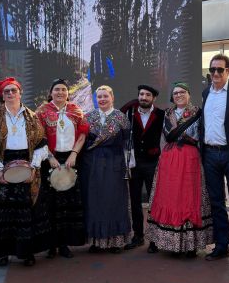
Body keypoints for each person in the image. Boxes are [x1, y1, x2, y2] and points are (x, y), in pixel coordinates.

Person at [0, 77, 50, 266]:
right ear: (2, 95)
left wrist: (33, 166)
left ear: (20, 93)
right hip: (2, 164)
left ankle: (27, 252)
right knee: (3, 213)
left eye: (13, 91)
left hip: (28, 165)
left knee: (27, 211)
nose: (10, 94)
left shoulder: (32, 116)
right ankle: (3, 252)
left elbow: (42, 145)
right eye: (6, 91)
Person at [147, 83, 212, 256]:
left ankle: (190, 245)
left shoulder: (198, 112)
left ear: (189, 94)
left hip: (190, 157)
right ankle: (170, 242)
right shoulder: (167, 113)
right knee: (169, 195)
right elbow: (165, 134)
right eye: (175, 93)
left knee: (189, 196)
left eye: (182, 92)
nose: (179, 95)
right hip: (169, 157)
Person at [36, 78, 89, 258]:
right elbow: (38, 138)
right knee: (50, 203)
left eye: (63, 90)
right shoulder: (42, 112)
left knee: (68, 202)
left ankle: (65, 243)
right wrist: (49, 156)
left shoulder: (76, 111)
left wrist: (74, 154)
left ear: (68, 93)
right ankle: (51, 244)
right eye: (57, 89)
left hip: (71, 160)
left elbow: (82, 134)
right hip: (50, 159)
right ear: (51, 92)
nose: (60, 93)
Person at [200, 54, 229, 263]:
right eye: (212, 70)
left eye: (220, 69)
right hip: (209, 154)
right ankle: (221, 245)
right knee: (216, 202)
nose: (215, 73)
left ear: (228, 71)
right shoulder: (205, 92)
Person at [80, 85, 131, 253]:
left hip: (114, 163)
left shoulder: (121, 117)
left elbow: (127, 143)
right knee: (95, 201)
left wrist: (128, 165)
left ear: (112, 97)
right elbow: (85, 142)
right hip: (94, 163)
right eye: (99, 97)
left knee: (114, 200)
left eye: (105, 96)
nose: (102, 99)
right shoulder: (88, 117)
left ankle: (115, 242)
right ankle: (96, 241)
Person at [120, 85, 164, 249]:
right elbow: (118, 115)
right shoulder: (130, 112)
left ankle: (154, 238)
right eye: (141, 94)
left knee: (154, 201)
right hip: (134, 163)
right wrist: (128, 105)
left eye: (147, 95)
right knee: (135, 200)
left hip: (152, 162)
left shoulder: (161, 114)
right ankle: (138, 236)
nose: (143, 97)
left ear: (153, 98)